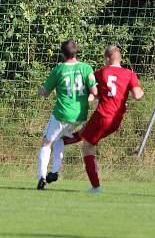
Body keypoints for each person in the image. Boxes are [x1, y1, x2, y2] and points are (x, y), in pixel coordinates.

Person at [64, 45, 144, 193]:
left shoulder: (101, 73)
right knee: (84, 134)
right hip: (116, 120)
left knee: (87, 146)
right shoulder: (129, 74)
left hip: (103, 115)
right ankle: (59, 143)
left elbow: (92, 93)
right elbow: (137, 95)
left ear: (107, 58)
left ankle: (96, 186)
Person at [35, 39, 97, 190]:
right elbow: (95, 93)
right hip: (79, 117)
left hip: (62, 114)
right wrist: (85, 101)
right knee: (59, 138)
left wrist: (39, 90)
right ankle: (55, 172)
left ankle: (41, 177)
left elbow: (45, 92)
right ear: (76, 52)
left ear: (63, 53)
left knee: (46, 142)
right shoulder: (86, 68)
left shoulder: (59, 69)